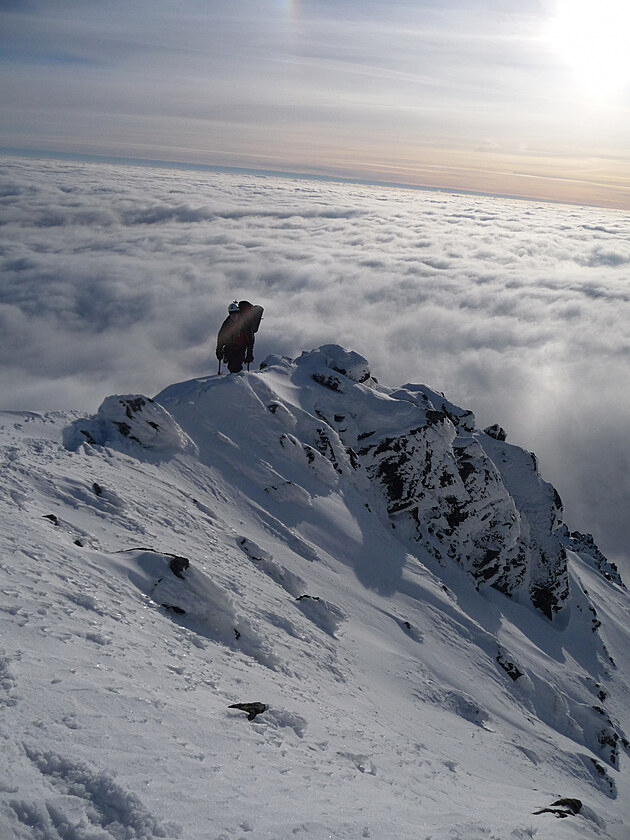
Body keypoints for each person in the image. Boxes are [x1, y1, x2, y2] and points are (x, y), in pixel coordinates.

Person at [216, 301, 255, 373]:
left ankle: (238, 381)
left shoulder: (245, 323)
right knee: (231, 367)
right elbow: (221, 337)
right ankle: (237, 381)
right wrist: (219, 350)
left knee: (235, 367)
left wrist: (250, 353)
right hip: (229, 348)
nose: (233, 316)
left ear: (238, 313)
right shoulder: (227, 323)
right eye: (231, 314)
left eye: (235, 314)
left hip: (240, 348)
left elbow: (250, 339)